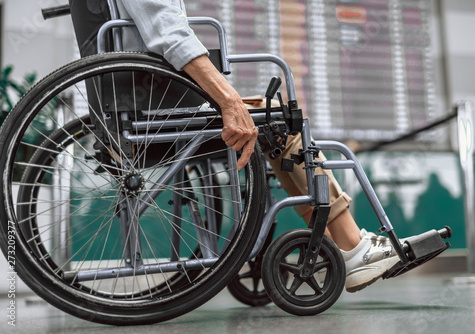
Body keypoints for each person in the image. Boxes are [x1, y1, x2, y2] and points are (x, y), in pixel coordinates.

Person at [70, 0, 404, 293]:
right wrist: (228, 100)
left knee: (269, 116)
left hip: (145, 106)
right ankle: (352, 247)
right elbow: (169, 34)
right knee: (280, 125)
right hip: (157, 112)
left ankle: (338, 243)